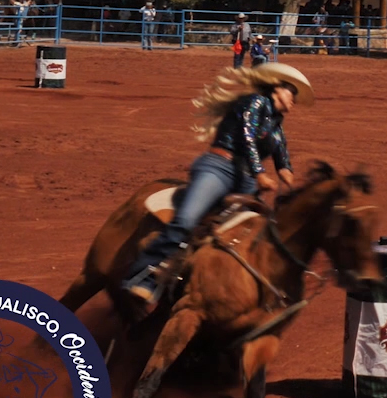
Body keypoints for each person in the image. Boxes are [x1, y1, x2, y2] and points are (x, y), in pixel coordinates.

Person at [118, 63, 314, 313]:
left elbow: (282, 155)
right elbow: (247, 136)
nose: (294, 101)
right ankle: (139, 277)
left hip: (244, 179)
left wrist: (287, 173)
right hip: (219, 167)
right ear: (277, 88)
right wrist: (261, 174)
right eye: (292, 93)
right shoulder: (255, 102)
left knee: (254, 234)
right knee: (186, 220)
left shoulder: (277, 125)